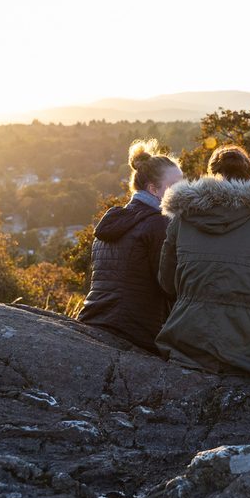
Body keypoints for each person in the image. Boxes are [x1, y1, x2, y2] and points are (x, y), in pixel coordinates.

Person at [156, 145, 250, 379]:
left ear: (210, 176)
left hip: (188, 341)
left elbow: (166, 284)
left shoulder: (183, 217)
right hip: (249, 347)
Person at [78, 140, 184, 352]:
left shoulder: (112, 221)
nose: (183, 192)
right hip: (135, 331)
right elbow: (170, 287)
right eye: (175, 187)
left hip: (93, 321)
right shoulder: (158, 223)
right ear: (154, 189)